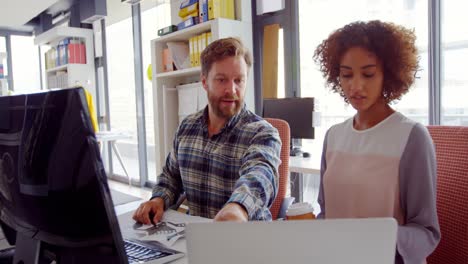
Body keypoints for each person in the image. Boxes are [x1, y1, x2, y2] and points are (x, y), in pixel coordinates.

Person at [313, 20, 440, 264]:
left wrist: (372, 238)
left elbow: (426, 233)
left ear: (387, 75)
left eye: (368, 74)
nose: (356, 86)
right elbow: (326, 214)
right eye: (346, 75)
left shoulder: (411, 138)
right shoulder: (333, 136)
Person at [133, 37, 281, 223]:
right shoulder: (186, 128)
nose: (232, 89)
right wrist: (158, 199)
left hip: (245, 242)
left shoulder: (262, 133)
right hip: (195, 240)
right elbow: (171, 177)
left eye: (239, 80)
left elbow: (260, 175)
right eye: (221, 80)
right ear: (204, 82)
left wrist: (238, 207)